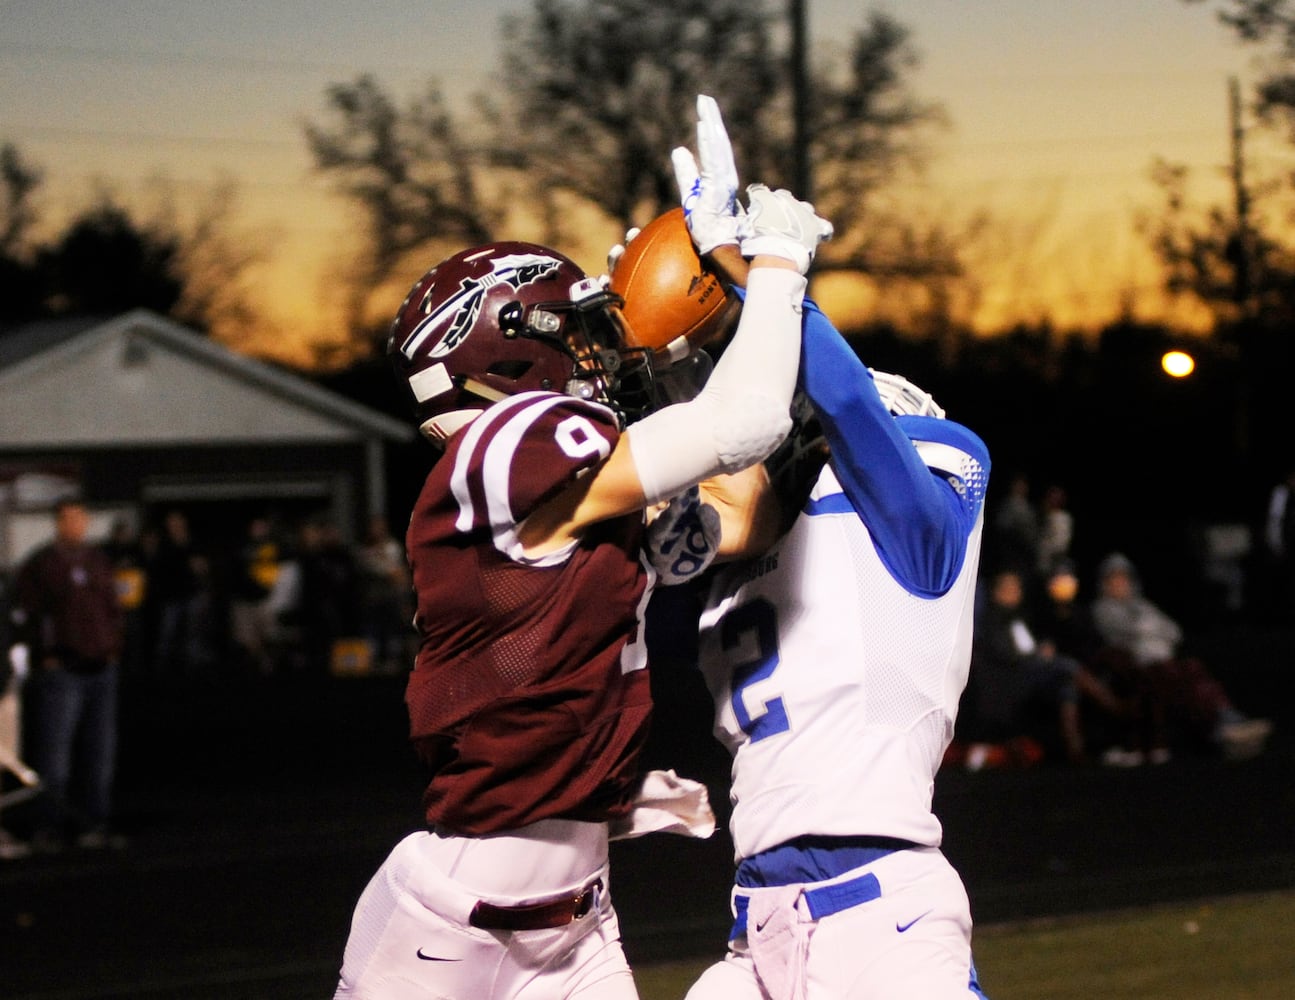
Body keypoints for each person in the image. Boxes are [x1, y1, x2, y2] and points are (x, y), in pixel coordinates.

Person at [331, 95, 832, 1000]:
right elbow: (748, 422)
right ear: (511, 350)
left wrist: (701, 345)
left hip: (576, 917)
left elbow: (739, 517)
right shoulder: (509, 444)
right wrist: (775, 266)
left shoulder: (561, 491)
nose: (602, 350)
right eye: (579, 329)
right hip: (453, 930)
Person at [649, 109, 990, 998]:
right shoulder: (747, 541)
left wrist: (766, 272)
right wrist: (662, 357)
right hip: (754, 924)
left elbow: (850, 415)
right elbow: (701, 460)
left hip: (880, 912)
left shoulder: (917, 525)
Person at [8, 499, 125, 852]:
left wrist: (114, 646)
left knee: (99, 755)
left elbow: (113, 608)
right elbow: (25, 615)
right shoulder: (43, 564)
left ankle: (93, 822)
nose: (75, 525)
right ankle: (49, 826)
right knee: (54, 757)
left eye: (80, 518)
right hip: (63, 671)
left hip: (101, 669)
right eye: (68, 519)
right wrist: (44, 656)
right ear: (57, 522)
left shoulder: (98, 561)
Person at [1090, 552, 1272, 762]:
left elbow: (1174, 631)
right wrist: (1150, 631)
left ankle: (1224, 715)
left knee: (1192, 669)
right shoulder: (1103, 609)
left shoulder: (1143, 606)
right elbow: (1125, 632)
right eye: (1115, 579)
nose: (1120, 584)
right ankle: (1215, 724)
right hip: (1140, 667)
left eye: (1124, 578)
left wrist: (1149, 631)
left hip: (1164, 661)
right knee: (1174, 677)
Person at [964, 567, 1125, 765]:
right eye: (1008, 588)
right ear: (996, 592)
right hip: (1010, 678)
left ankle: (1076, 750)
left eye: (1016, 587)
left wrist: (1042, 650)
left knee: (1068, 686)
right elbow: (1005, 654)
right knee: (1068, 666)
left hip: (1033, 671)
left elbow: (1029, 643)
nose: (1015, 592)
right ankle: (1116, 706)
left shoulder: (1022, 616)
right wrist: (1037, 656)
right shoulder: (991, 620)